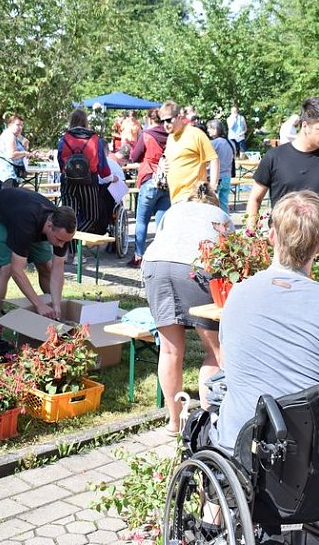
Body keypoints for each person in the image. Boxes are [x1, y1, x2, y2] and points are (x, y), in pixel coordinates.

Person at [214, 190, 319, 455]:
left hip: (243, 446)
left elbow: (228, 364)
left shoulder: (237, 293)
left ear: (271, 236)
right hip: (309, 456)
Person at [143, 182, 233, 434]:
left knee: (170, 352)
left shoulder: (173, 211)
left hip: (155, 266)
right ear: (213, 201)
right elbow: (229, 257)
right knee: (215, 351)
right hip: (195, 269)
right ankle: (210, 422)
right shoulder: (222, 216)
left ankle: (175, 422)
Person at [246, 97, 319, 230]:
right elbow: (255, 199)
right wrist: (251, 231)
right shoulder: (274, 157)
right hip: (281, 239)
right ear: (305, 125)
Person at [0, 188, 77, 319]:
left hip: (25, 214)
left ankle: (54, 315)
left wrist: (57, 306)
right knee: (7, 267)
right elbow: (17, 271)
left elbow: (58, 268)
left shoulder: (62, 229)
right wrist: (39, 304)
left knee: (45, 265)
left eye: (65, 241)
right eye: (59, 240)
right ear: (49, 226)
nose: (61, 245)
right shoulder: (25, 224)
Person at [56, 109, 111, 261]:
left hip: (68, 182)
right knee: (92, 216)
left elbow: (60, 160)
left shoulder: (64, 138)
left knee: (69, 217)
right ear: (85, 121)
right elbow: (102, 164)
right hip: (89, 183)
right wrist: (108, 176)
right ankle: (75, 246)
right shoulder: (94, 139)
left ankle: (69, 252)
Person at [128, 109, 170, 268]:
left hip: (149, 179)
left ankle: (139, 256)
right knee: (161, 222)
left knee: (142, 220)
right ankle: (159, 257)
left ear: (149, 119)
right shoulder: (171, 136)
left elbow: (135, 156)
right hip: (167, 181)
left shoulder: (146, 135)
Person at [158, 100, 219, 204]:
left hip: (194, 198)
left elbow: (214, 159)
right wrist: (161, 165)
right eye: (162, 121)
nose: (165, 125)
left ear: (179, 116)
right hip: (175, 198)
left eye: (168, 120)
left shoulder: (195, 134)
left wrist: (212, 188)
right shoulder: (170, 138)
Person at [0, 114, 33, 191]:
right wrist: (25, 153)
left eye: (21, 125)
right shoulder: (10, 136)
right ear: (10, 124)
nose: (20, 127)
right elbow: (12, 154)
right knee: (9, 199)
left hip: (3, 172)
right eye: (17, 125)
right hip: (7, 174)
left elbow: (24, 142)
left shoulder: (11, 135)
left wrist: (24, 145)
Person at [206, 119, 236, 213]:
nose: (208, 130)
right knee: (224, 203)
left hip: (216, 177)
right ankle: (225, 221)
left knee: (212, 203)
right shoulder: (231, 143)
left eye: (209, 128)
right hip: (227, 176)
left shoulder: (214, 143)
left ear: (215, 129)